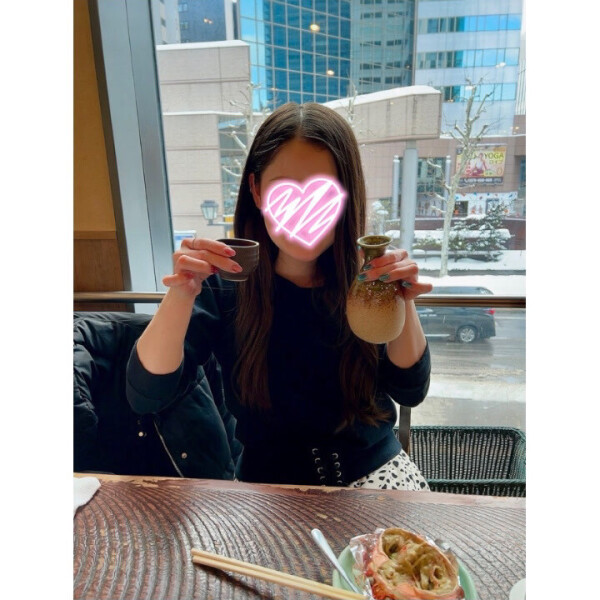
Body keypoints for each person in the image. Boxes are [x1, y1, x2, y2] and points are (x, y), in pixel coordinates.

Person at [126, 102, 433, 490]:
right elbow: (147, 394)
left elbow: (410, 389)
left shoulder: (368, 279)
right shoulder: (225, 284)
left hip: (379, 478)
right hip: (267, 495)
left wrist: (403, 297)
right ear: (256, 191)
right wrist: (181, 293)